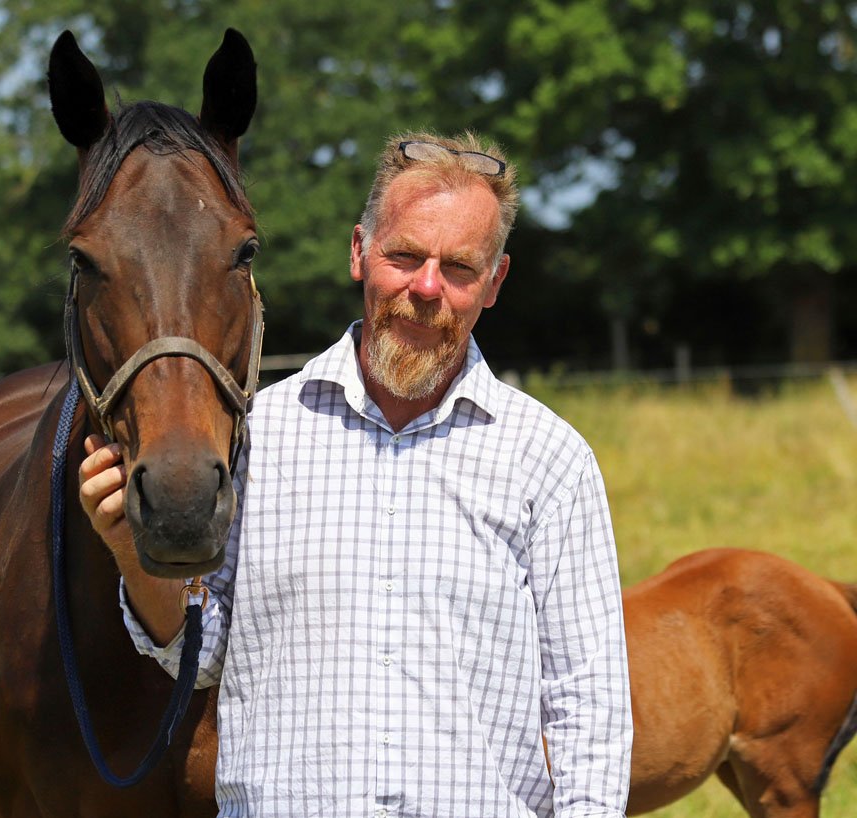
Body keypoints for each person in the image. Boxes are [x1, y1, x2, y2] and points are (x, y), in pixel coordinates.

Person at [79, 130, 632, 818]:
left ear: (494, 283)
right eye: (405, 256)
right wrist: (132, 552)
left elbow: (589, 703)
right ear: (359, 252)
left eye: (460, 268)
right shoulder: (259, 436)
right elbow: (200, 654)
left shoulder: (549, 459)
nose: (426, 287)